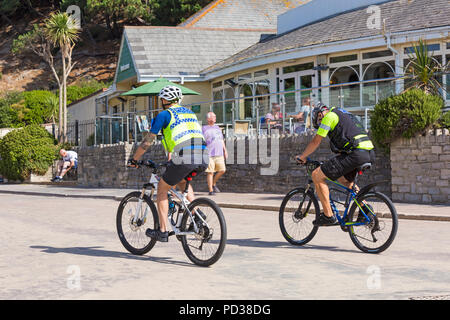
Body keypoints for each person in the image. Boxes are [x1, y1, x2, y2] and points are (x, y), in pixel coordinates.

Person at [128, 85, 209, 242]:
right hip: (204, 156)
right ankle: (196, 215)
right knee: (182, 181)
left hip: (184, 156)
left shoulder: (164, 115)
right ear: (178, 100)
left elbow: (148, 141)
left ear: (164, 100)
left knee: (162, 189)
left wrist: (135, 159)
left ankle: (162, 231)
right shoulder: (190, 113)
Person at [295, 103, 375, 226]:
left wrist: (303, 156)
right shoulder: (343, 113)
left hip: (355, 153)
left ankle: (328, 216)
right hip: (368, 153)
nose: (319, 121)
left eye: (317, 118)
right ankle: (366, 209)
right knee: (345, 180)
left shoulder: (329, 116)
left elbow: (316, 141)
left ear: (320, 114)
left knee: (317, 175)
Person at [202, 112, 228, 195]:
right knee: (210, 172)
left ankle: (213, 183)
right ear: (208, 118)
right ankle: (210, 190)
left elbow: (221, 140)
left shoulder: (218, 128)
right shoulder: (204, 129)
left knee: (222, 170)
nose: (215, 118)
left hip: (219, 153)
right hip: (209, 154)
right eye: (214, 116)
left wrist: (225, 150)